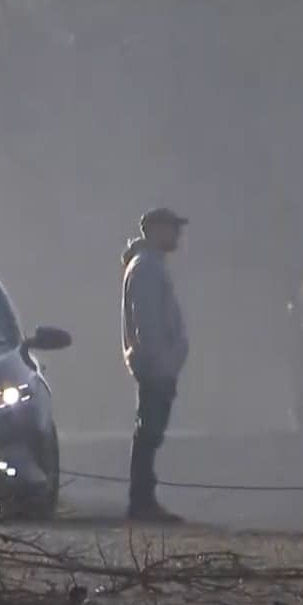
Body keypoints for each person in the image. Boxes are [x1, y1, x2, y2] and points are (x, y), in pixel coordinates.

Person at [121, 207, 190, 522]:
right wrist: (160, 359)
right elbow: (147, 321)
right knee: (149, 432)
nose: (178, 234)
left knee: (150, 431)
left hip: (157, 363)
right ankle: (142, 501)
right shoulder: (147, 267)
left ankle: (143, 499)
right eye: (173, 228)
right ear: (156, 229)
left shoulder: (149, 264)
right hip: (155, 365)